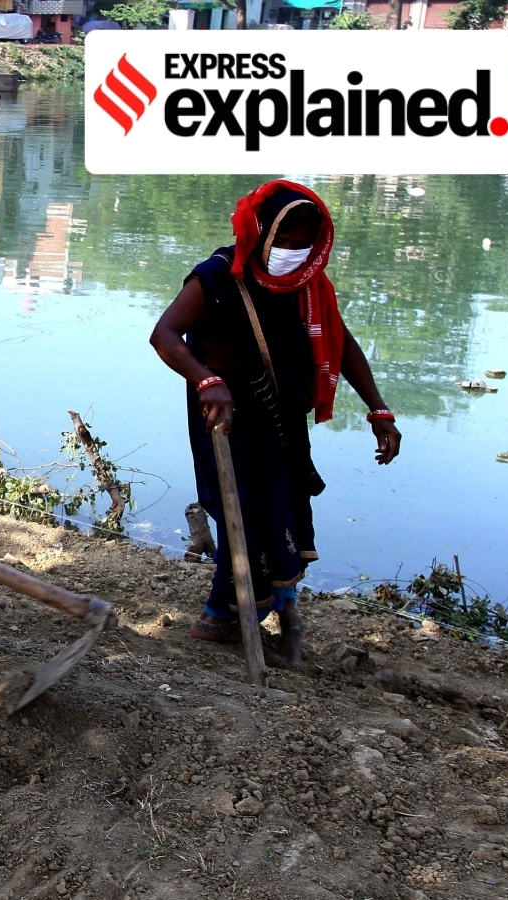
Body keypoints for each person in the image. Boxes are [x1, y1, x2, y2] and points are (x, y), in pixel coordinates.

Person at [150, 180, 401, 669]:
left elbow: (342, 344)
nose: (291, 251)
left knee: (284, 508)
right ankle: (224, 615)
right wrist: (206, 380)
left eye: (301, 242)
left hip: (281, 414)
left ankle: (287, 622)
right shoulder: (218, 276)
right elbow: (164, 335)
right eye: (282, 241)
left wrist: (379, 409)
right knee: (241, 509)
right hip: (224, 412)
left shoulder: (308, 283)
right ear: (260, 233)